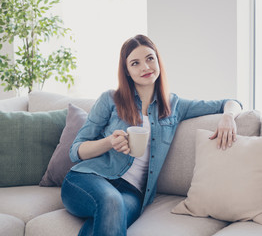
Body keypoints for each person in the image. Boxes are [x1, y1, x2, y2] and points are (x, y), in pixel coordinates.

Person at [61, 34, 243, 236]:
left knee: (106, 218)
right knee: (111, 202)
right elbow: (76, 151)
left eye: (150, 58)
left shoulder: (174, 105)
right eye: (135, 63)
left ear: (158, 60)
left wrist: (228, 116)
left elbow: (230, 102)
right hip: (89, 179)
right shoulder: (110, 99)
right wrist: (109, 142)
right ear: (127, 71)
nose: (145, 67)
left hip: (132, 193)